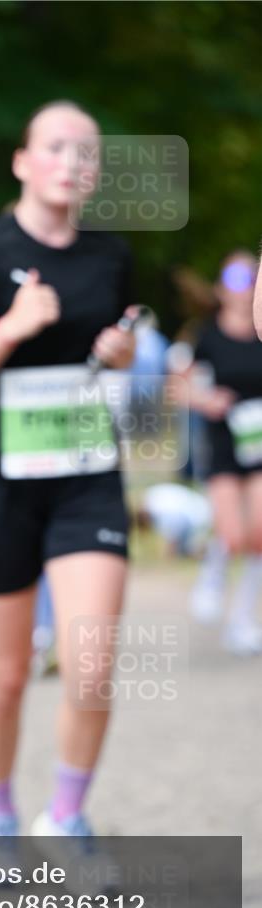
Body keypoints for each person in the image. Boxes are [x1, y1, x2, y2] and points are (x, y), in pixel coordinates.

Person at [0, 101, 136, 851]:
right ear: (21, 161)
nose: (72, 161)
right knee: (8, 675)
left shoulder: (109, 256)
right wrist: (12, 326)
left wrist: (120, 354)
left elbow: (113, 351)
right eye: (55, 146)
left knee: (89, 664)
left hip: (86, 477)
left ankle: (67, 815)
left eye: (87, 152)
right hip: (0, 486)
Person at [176, 252, 262, 654]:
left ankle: (243, 619)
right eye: (236, 278)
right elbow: (178, 387)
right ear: (220, 289)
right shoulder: (206, 336)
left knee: (259, 535)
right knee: (232, 532)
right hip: (224, 444)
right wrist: (207, 400)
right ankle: (213, 568)